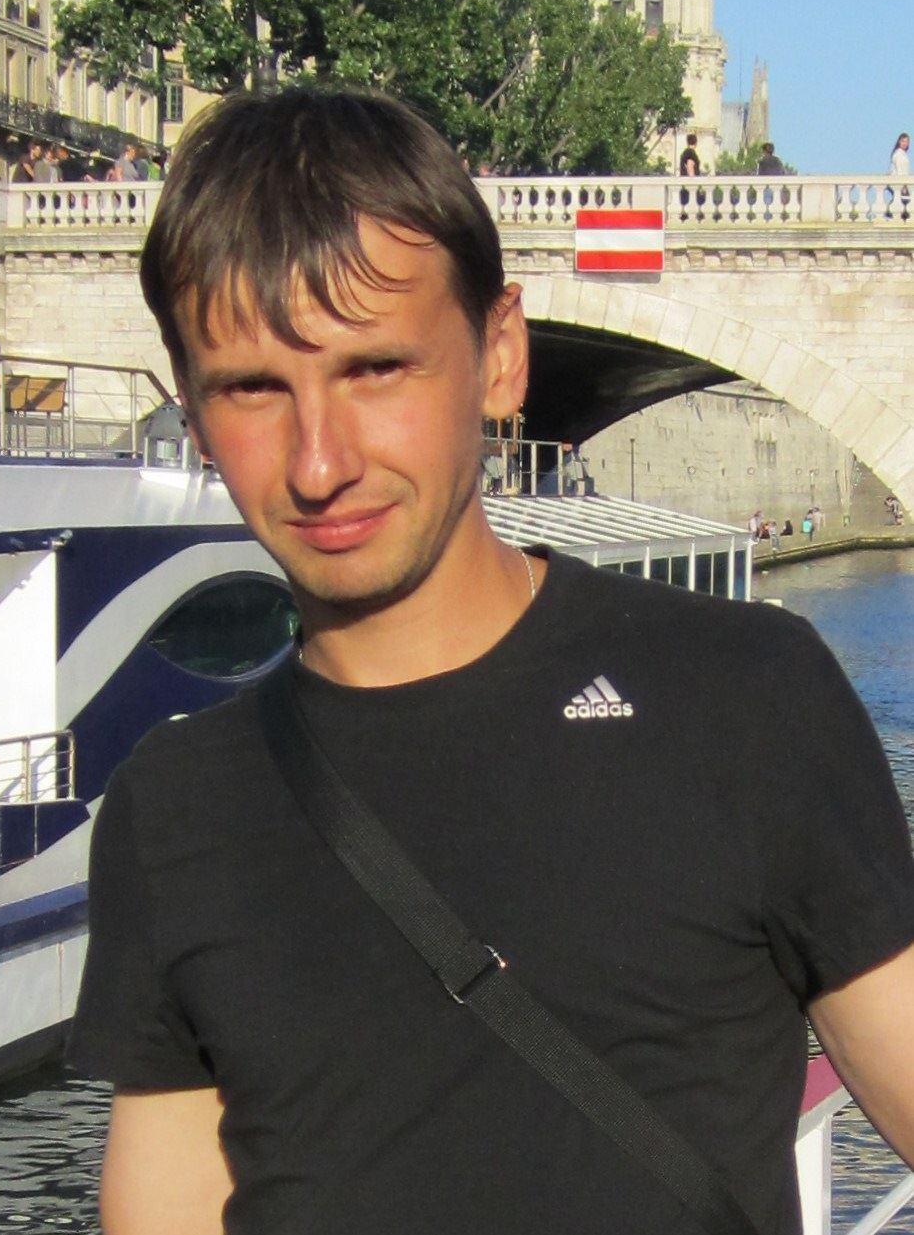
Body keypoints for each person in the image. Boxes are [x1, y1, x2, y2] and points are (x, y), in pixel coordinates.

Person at [68, 88, 914, 1235]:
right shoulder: (173, 809)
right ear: (191, 407)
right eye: (253, 389)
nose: (317, 463)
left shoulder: (745, 699)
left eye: (376, 370)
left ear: (499, 356)